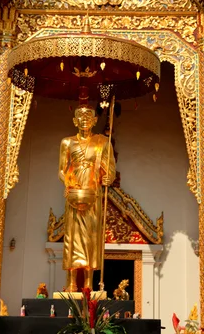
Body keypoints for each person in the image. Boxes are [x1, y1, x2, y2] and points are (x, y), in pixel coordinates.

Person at [58, 102, 115, 291]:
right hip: (74, 195)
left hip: (93, 196)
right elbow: (61, 170)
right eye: (81, 117)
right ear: (75, 121)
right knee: (72, 237)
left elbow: (110, 170)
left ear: (95, 120)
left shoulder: (102, 143)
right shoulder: (67, 142)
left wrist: (108, 178)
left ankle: (90, 282)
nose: (84, 120)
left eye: (88, 117)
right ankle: (72, 282)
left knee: (92, 237)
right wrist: (68, 183)